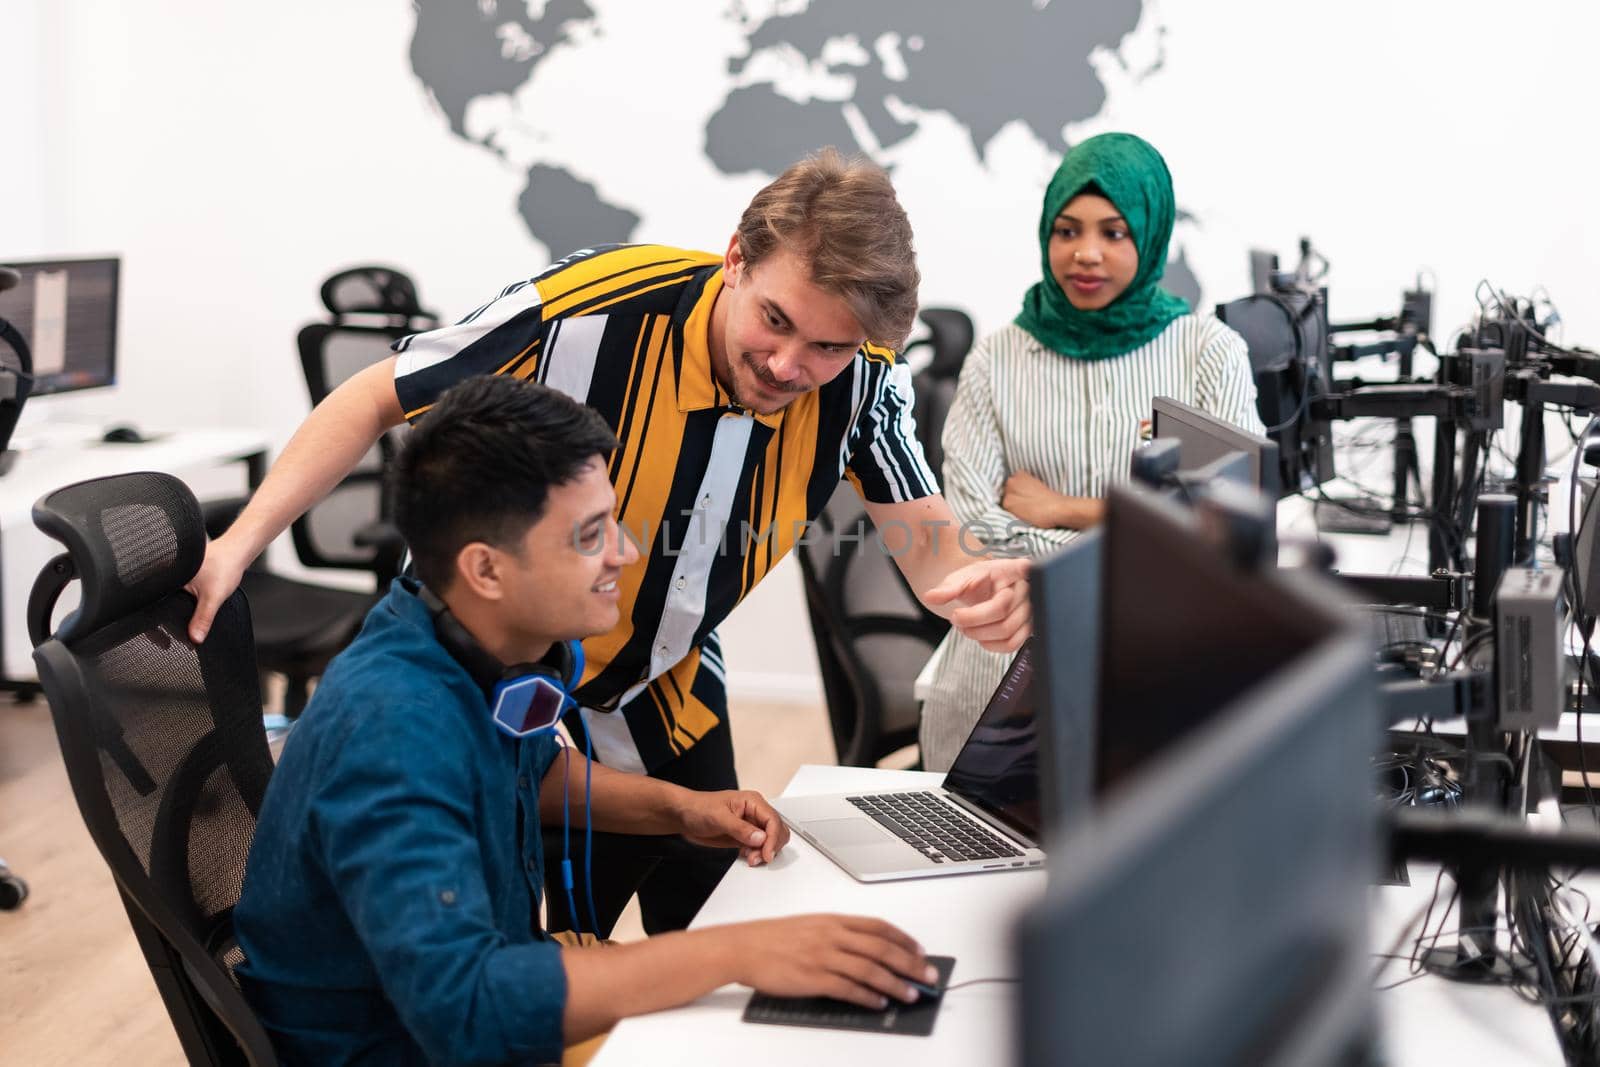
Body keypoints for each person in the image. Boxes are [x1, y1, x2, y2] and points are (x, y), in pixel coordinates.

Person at [190, 148, 1030, 935]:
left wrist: (988, 593)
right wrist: (238, 543)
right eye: (774, 321)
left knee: (719, 932)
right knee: (505, 950)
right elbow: (379, 393)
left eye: (828, 347)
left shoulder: (865, 380)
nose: (787, 365)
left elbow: (934, 552)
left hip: (669, 683)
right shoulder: (588, 309)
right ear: (735, 257)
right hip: (498, 684)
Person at [233, 375, 941, 1065]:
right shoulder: (394, 731)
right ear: (486, 570)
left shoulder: (476, 638)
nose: (625, 554)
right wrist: (738, 952)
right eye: (591, 535)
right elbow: (469, 1010)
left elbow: (524, 765)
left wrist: (682, 807)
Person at [918, 131, 1263, 770]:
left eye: (1114, 233)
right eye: (1068, 230)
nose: (1086, 254)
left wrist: (1060, 510)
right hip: (1002, 664)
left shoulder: (1208, 353)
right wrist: (1133, 541)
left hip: (1153, 659)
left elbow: (1222, 533)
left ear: (1149, 235)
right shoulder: (996, 359)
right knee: (975, 852)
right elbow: (973, 525)